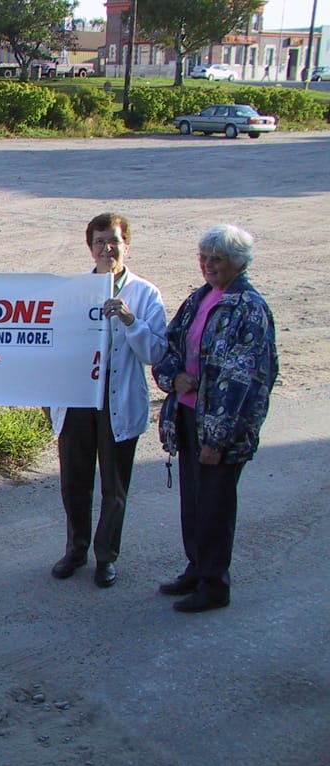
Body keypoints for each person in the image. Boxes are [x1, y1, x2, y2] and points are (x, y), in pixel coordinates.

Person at [153, 224, 278, 612]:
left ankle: (214, 584)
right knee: (193, 501)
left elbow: (245, 381)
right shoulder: (201, 298)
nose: (207, 265)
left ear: (237, 263)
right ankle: (197, 568)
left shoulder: (250, 309)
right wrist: (173, 377)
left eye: (217, 259)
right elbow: (168, 345)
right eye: (203, 257)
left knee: (215, 506)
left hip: (220, 429)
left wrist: (217, 439)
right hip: (189, 416)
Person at [49, 213, 168, 588]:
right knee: (74, 482)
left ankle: (106, 557)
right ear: (90, 247)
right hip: (78, 401)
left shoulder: (145, 294)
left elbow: (157, 353)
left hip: (119, 403)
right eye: (100, 241)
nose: (107, 248)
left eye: (114, 241)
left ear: (126, 245)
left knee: (114, 488)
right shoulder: (74, 290)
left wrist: (132, 321)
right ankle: (76, 549)